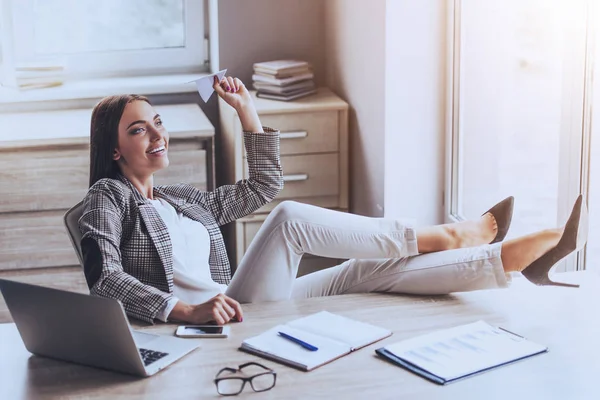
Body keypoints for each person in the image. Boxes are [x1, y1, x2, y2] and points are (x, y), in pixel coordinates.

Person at [79, 75, 588, 325]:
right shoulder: (111, 196)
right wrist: (186, 312)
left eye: (158, 124)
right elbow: (104, 278)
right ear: (116, 149)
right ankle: (454, 233)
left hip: (235, 300)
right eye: (139, 130)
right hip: (210, 320)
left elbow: (260, 187)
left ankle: (511, 259)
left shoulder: (181, 201)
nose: (156, 136)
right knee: (289, 220)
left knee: (366, 272)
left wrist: (248, 112)